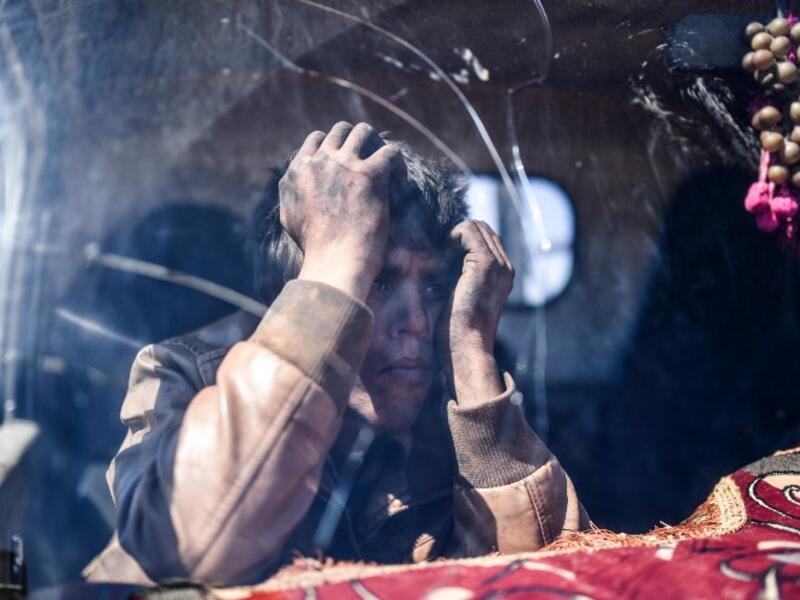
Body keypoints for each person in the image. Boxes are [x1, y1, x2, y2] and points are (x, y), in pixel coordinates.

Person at [84, 122, 589, 586]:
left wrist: (474, 362)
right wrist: (338, 264)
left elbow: (557, 581)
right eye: (378, 281)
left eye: (433, 287)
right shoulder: (188, 375)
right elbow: (190, 552)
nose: (415, 322)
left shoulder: (456, 404)